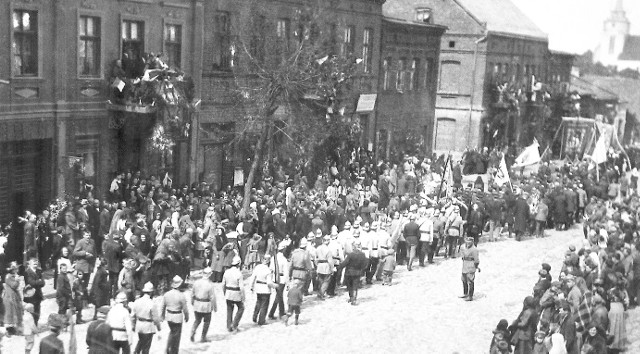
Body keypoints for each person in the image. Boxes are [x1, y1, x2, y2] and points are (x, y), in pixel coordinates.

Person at [161, 276, 190, 354]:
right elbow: (185, 309)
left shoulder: (167, 294)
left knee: (172, 332)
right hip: (177, 317)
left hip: (169, 316)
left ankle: (167, 348)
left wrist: (162, 315)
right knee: (177, 338)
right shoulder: (181, 295)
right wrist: (187, 317)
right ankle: (173, 351)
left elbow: (163, 306)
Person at [131, 282, 161, 354]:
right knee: (146, 347)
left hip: (139, 325)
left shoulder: (137, 301)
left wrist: (133, 325)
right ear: (151, 293)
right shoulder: (151, 303)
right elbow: (155, 318)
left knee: (140, 342)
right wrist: (159, 327)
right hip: (148, 327)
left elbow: (133, 315)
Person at [338, 239, 368, 305]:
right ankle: (354, 299)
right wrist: (362, 272)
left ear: (353, 246)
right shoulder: (362, 255)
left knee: (349, 286)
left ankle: (351, 297)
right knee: (355, 286)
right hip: (358, 272)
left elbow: (345, 263)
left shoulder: (351, 254)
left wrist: (339, 267)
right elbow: (365, 264)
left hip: (349, 272)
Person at [190, 268, 217, 342]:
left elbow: (192, 294)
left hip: (197, 304)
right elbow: (212, 297)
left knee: (197, 320)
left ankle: (192, 331)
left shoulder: (196, 282)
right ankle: (203, 337)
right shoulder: (210, 285)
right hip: (206, 305)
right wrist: (215, 307)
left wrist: (192, 302)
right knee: (206, 322)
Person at [222, 256, 245, 332]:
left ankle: (229, 326)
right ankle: (235, 324)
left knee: (229, 309)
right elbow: (241, 287)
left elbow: (223, 285)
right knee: (241, 308)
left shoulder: (226, 272)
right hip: (236, 293)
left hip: (228, 292)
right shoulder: (239, 274)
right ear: (238, 264)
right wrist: (243, 296)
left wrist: (224, 292)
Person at [268, 242, 290, 319]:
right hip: (282, 278)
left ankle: (280, 311)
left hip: (274, 278)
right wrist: (288, 283)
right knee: (279, 296)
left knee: (279, 296)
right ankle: (275, 312)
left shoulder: (273, 258)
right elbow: (286, 272)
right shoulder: (284, 260)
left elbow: (270, 269)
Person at [3, 261, 23, 335]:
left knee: (16, 311)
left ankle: (14, 328)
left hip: (14, 296)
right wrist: (17, 280)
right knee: (10, 312)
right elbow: (13, 285)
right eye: (15, 269)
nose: (17, 270)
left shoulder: (13, 276)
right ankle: (10, 330)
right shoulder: (8, 276)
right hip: (9, 297)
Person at [24, 258, 45, 325]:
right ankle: (31, 326)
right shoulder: (27, 272)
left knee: (38, 310)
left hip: (38, 294)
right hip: (30, 295)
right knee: (31, 311)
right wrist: (39, 281)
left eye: (36, 262)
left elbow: (43, 283)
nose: (36, 263)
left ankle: (35, 324)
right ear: (30, 263)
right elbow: (31, 282)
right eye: (34, 262)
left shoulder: (39, 271)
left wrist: (39, 282)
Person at [460, 237, 480, 301]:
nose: (468, 244)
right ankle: (465, 293)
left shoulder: (474, 250)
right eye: (467, 242)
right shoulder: (463, 247)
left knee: (470, 281)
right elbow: (462, 255)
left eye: (469, 243)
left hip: (471, 265)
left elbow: (476, 260)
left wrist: (476, 266)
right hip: (465, 265)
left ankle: (470, 296)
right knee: (464, 279)